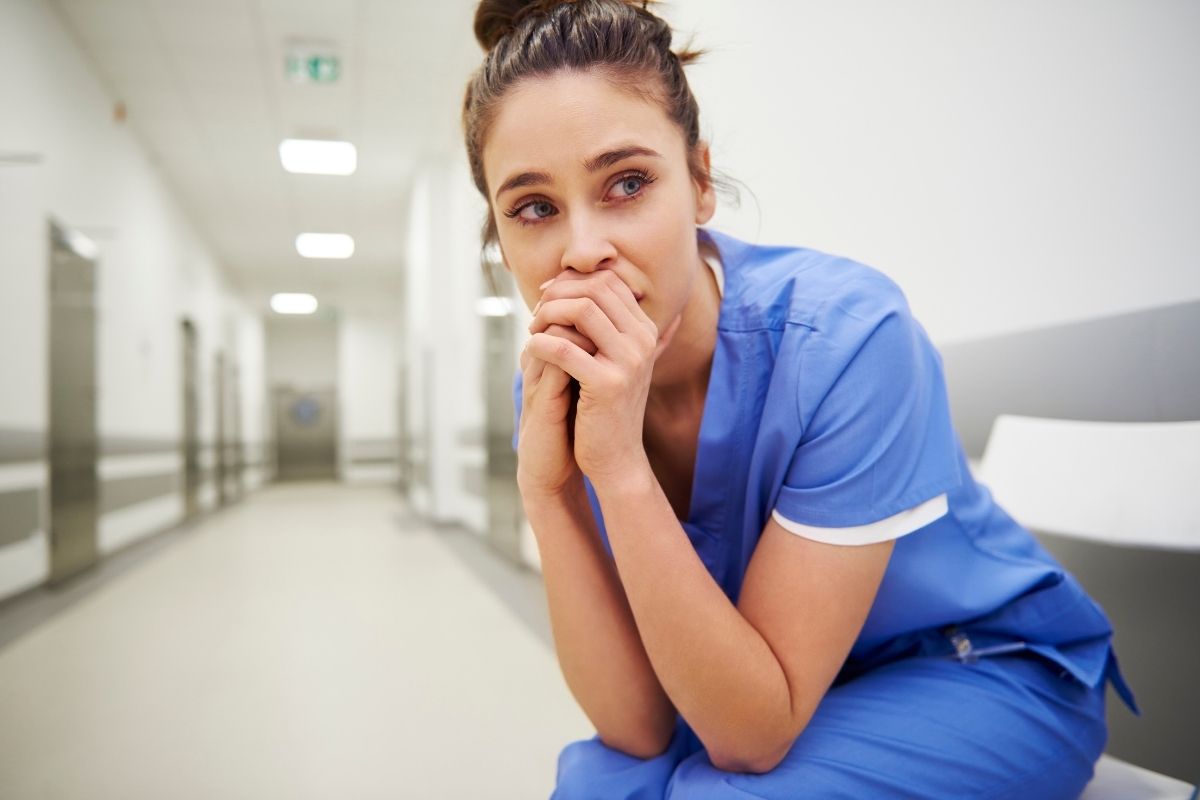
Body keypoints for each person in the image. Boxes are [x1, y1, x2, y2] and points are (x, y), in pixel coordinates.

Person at [461, 1, 1138, 797]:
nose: (581, 250)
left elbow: (750, 738)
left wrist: (616, 467)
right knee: (602, 783)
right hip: (767, 689)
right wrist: (547, 491)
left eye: (628, 183)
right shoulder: (552, 391)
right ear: (502, 236)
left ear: (701, 181)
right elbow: (636, 725)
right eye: (534, 208)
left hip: (973, 668)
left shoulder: (845, 338)